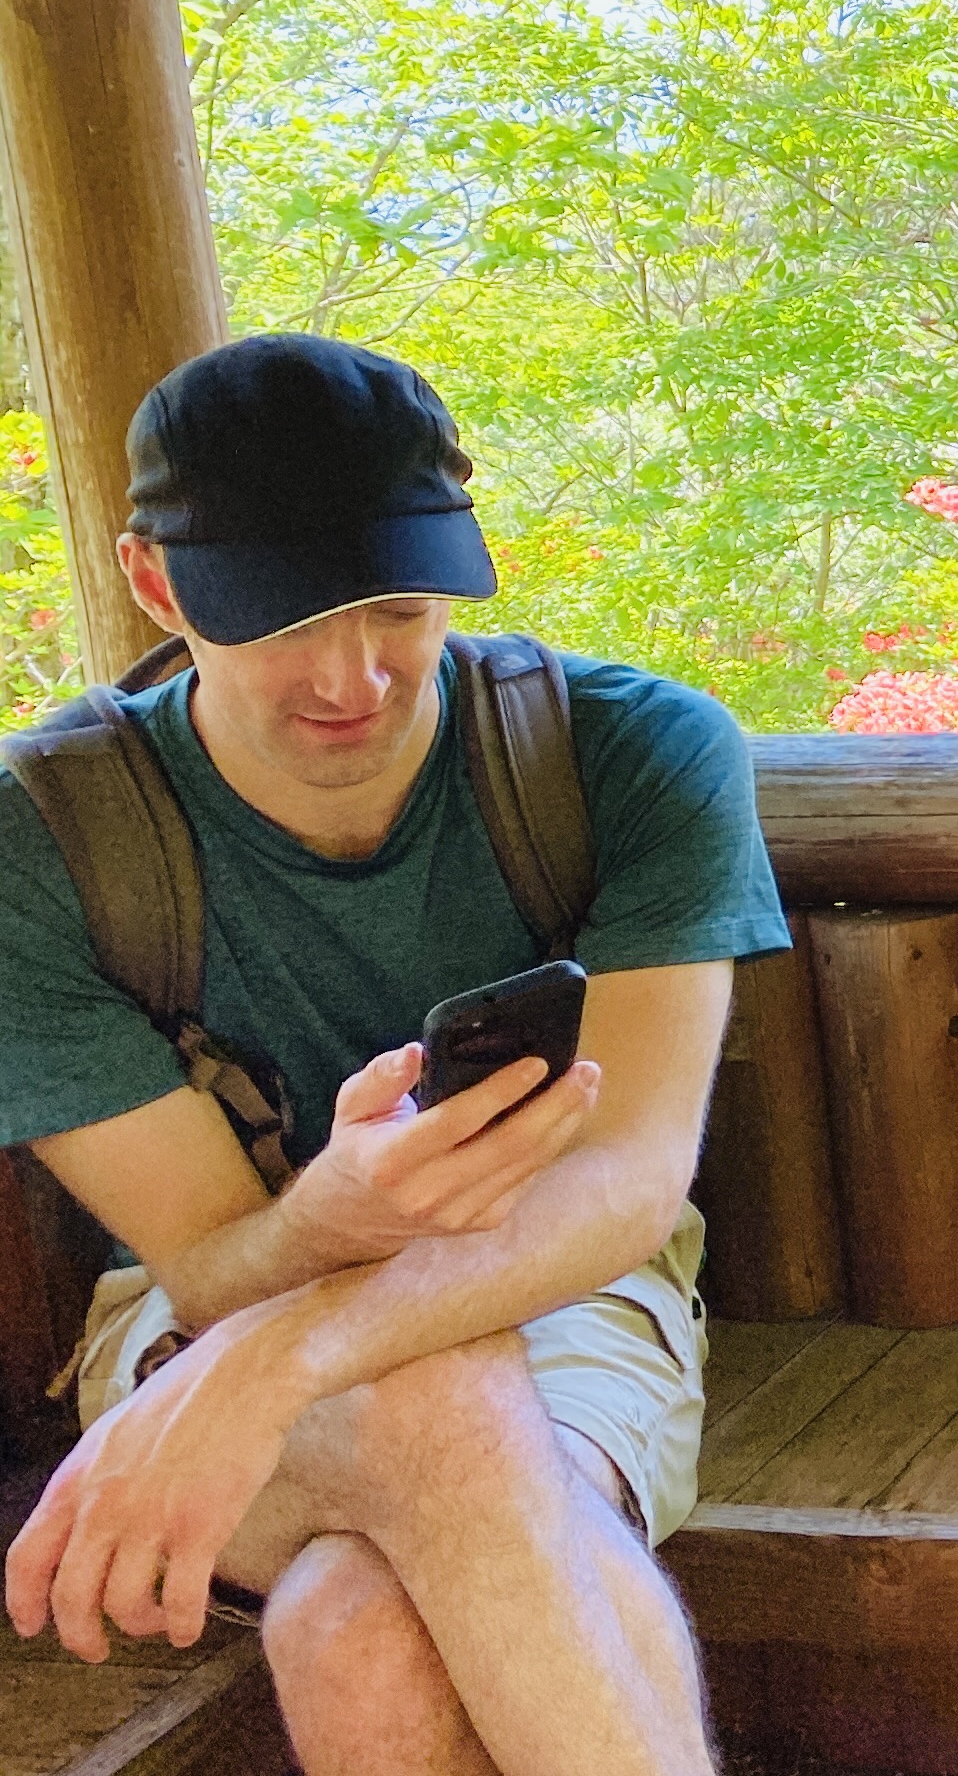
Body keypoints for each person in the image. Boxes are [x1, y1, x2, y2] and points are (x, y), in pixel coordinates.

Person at [0, 335, 785, 1776]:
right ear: (156, 586)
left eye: (401, 608)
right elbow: (208, 1264)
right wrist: (321, 1247)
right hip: (198, 1316)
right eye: (282, 619)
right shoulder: (42, 841)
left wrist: (272, 1369)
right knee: (438, 1393)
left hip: (564, 1284)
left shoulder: (635, 753)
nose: (350, 675)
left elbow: (623, 1187)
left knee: (357, 1623)